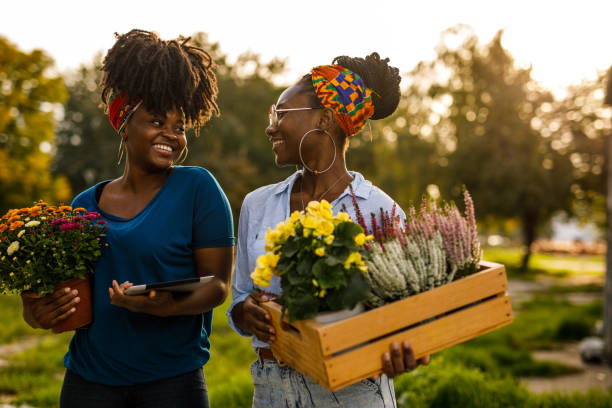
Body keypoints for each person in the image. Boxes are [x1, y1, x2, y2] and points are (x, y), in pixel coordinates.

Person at [19, 29, 234, 408]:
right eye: (156, 121)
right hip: (89, 384)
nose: (171, 134)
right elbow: (66, 294)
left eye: (179, 126)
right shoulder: (84, 204)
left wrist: (161, 304)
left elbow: (217, 285)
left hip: (172, 385)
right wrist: (37, 310)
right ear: (124, 123)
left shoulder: (198, 188)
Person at [228, 53, 429, 407]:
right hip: (272, 388)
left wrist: (407, 347)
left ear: (323, 119)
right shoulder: (256, 205)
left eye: (281, 114)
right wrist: (246, 313)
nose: (270, 126)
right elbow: (241, 296)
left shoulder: (381, 212)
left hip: (353, 389)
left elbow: (408, 317)